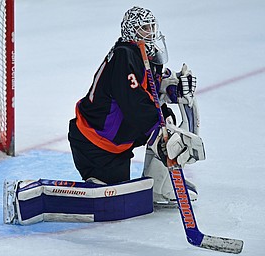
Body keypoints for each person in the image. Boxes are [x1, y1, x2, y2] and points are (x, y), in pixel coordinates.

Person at [68, 6, 205, 204]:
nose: (150, 32)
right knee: (162, 129)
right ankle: (97, 180)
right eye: (144, 28)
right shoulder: (125, 55)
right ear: (132, 31)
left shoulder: (143, 54)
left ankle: (159, 188)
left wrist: (171, 88)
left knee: (165, 120)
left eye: (151, 27)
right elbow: (134, 104)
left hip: (116, 139)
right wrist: (163, 134)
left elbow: (151, 85)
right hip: (96, 143)